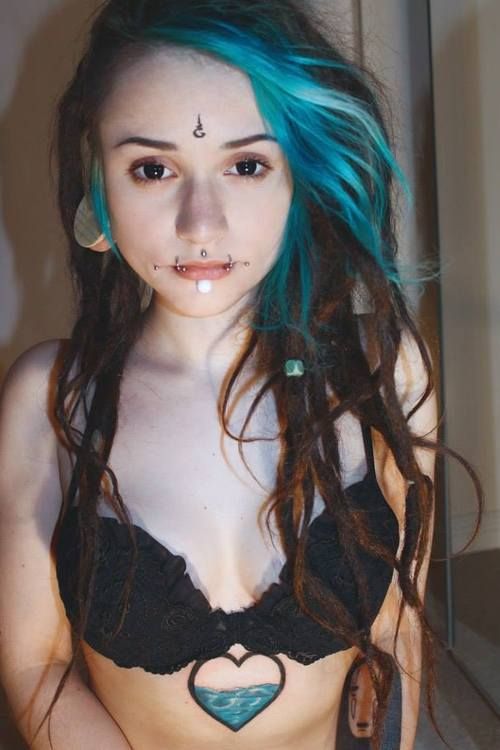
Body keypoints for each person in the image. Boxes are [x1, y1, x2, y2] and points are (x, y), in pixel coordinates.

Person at [0, 1, 481, 748]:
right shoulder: (51, 398)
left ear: (301, 177)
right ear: (98, 184)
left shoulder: (384, 368)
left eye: (247, 165)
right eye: (152, 169)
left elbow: (397, 624)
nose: (201, 222)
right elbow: (38, 665)